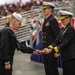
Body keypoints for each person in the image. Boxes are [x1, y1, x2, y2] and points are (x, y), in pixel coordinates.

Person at [43, 10, 75, 75]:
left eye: (64, 19)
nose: (62, 21)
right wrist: (49, 47)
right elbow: (57, 41)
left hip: (70, 57)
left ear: (69, 18)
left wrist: (51, 50)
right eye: (61, 19)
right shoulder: (62, 29)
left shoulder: (70, 29)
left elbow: (64, 43)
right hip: (65, 56)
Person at [36, 1, 60, 75]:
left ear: (50, 9)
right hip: (45, 48)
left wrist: (57, 51)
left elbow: (57, 36)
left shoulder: (52, 20)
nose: (43, 10)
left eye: (45, 9)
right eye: (43, 9)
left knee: (52, 70)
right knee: (47, 69)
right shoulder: (46, 19)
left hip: (51, 49)